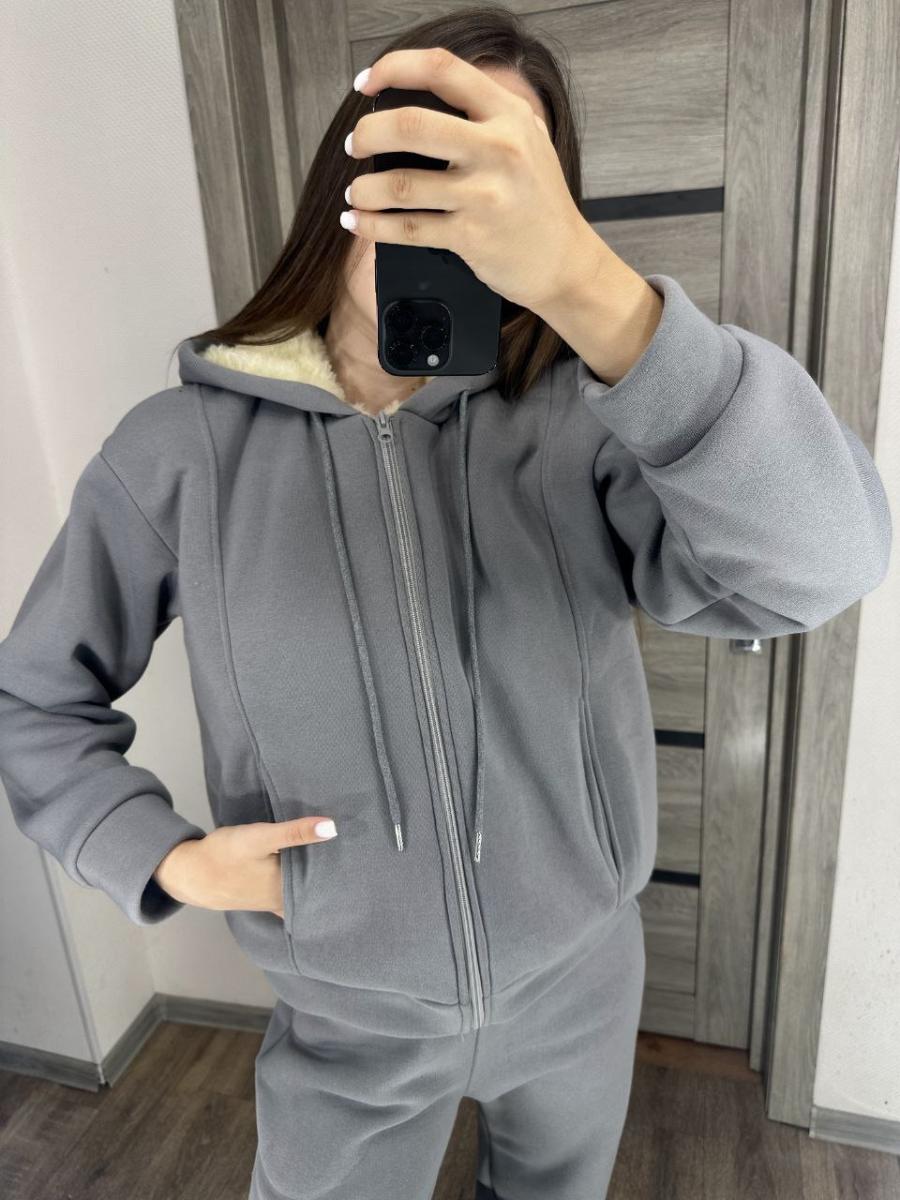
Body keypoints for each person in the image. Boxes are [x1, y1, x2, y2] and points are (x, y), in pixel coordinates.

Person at [0, 10, 891, 1200]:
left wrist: (596, 294)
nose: (455, 205)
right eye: (430, 155)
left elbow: (823, 564)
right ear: (349, 181)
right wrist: (167, 862)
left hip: (582, 987)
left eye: (505, 173)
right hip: (345, 1018)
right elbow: (33, 700)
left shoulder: (582, 421)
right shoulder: (180, 454)